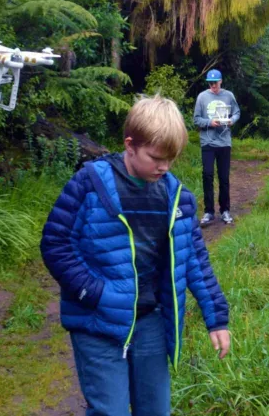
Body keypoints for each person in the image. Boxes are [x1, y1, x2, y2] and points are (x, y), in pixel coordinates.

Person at [40, 95, 230, 416]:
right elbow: (55, 243)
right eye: (156, 157)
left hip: (152, 322)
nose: (165, 167)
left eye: (171, 158)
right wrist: (94, 292)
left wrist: (217, 318)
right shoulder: (89, 184)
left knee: (156, 410)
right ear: (130, 145)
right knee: (110, 410)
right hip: (97, 321)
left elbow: (195, 260)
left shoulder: (177, 198)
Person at [193, 69, 240, 226]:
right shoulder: (202, 97)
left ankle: (225, 210)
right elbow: (196, 119)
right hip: (207, 141)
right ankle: (208, 212)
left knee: (224, 177)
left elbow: (237, 112)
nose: (213, 85)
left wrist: (232, 120)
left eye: (215, 82)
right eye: (210, 83)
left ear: (221, 81)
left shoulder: (228, 96)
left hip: (224, 142)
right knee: (207, 175)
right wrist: (209, 123)